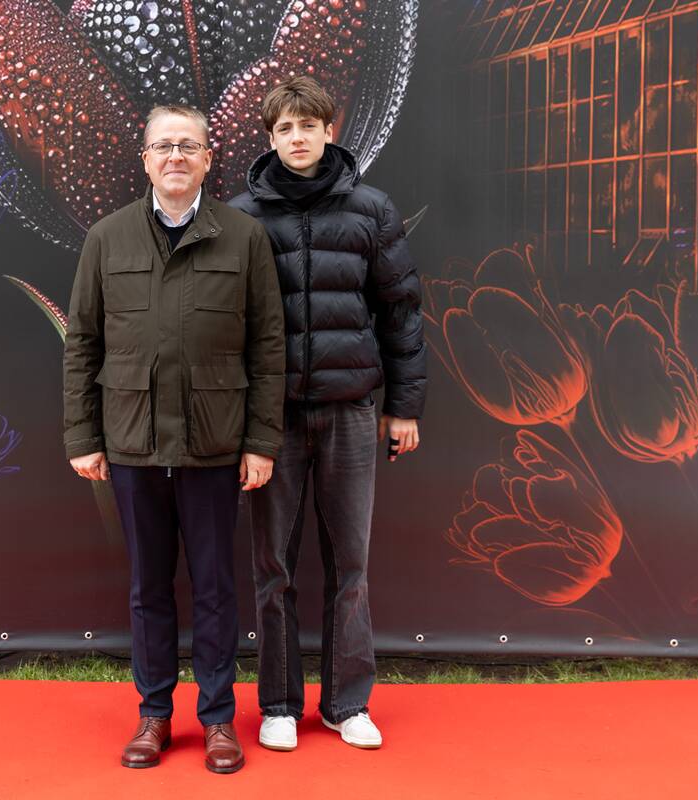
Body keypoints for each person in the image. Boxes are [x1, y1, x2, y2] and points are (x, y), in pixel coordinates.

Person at [62, 105, 285, 773]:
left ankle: (217, 720)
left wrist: (261, 441)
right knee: (148, 588)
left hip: (215, 443)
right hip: (132, 442)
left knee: (215, 588)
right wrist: (83, 435)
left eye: (189, 145)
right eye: (164, 146)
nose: (176, 156)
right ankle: (154, 714)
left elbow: (268, 346)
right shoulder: (107, 238)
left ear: (209, 158)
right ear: (146, 159)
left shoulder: (244, 237)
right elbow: (83, 343)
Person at [230, 76, 427, 751]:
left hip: (351, 413)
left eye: (308, 125)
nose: (297, 138)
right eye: (284, 128)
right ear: (270, 137)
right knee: (273, 568)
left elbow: (401, 313)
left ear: (329, 130)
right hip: (272, 419)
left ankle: (348, 704)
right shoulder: (242, 217)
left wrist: (404, 406)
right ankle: (280, 704)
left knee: (351, 566)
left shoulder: (371, 210)